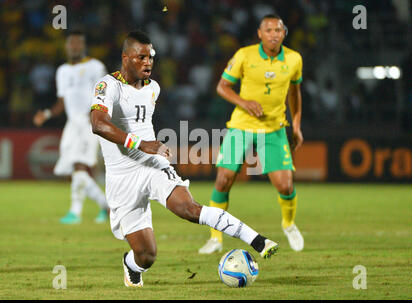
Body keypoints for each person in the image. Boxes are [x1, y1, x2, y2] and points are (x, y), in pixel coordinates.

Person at [89, 30, 279, 287]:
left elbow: (144, 126)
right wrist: (141, 143)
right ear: (125, 57)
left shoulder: (153, 88)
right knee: (146, 256)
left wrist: (155, 148)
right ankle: (130, 264)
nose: (148, 62)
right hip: (122, 178)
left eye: (151, 57)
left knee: (189, 209)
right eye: (141, 57)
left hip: (152, 165)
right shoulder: (107, 86)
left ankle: (258, 240)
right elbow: (99, 124)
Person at [199, 14, 305, 254]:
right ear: (260, 33)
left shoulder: (294, 59)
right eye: (268, 30)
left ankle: (288, 224)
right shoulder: (244, 55)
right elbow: (222, 87)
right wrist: (244, 102)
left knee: (286, 187)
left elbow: (295, 94)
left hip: (274, 128)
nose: (273, 34)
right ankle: (215, 238)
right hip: (241, 126)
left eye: (278, 30)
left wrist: (296, 125)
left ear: (284, 33)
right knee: (223, 179)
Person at [33, 31, 109, 224]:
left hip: (89, 122)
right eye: (71, 44)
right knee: (73, 169)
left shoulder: (96, 66)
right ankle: (105, 205)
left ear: (83, 46)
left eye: (78, 43)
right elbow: (61, 103)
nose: (74, 47)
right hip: (71, 124)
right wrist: (47, 114)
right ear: (66, 47)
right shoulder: (62, 71)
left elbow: (106, 94)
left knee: (79, 165)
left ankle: (75, 212)